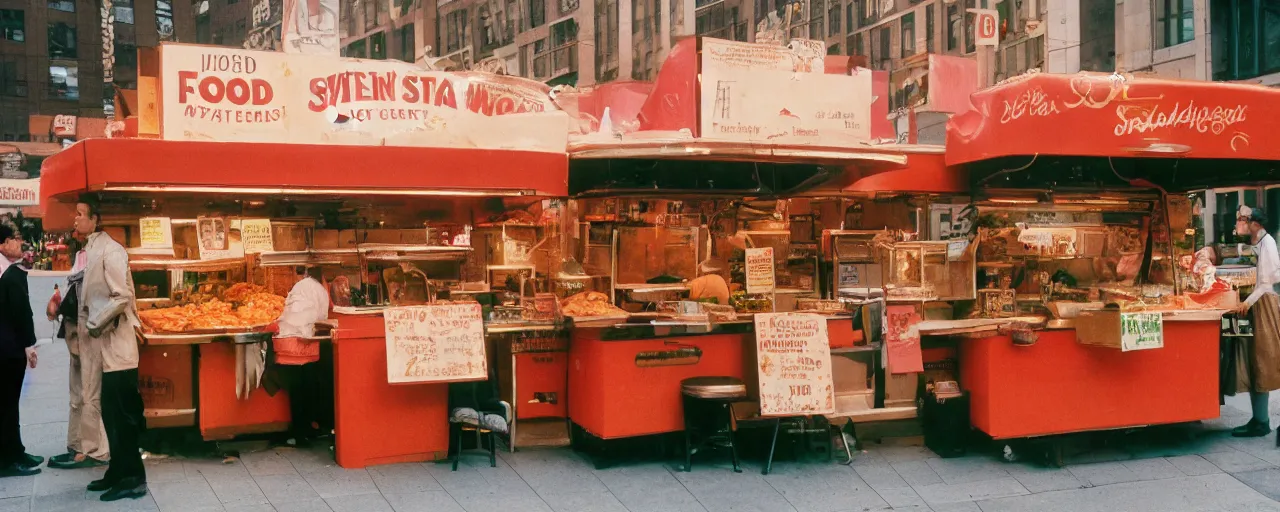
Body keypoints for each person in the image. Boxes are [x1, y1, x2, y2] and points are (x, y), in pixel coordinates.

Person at [77, 199, 147, 500]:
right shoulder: (92, 249)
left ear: (95, 220)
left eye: (80, 214)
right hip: (105, 350)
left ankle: (133, 478)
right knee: (111, 415)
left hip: (118, 348)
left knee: (124, 417)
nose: (74, 219)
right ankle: (117, 471)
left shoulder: (112, 250)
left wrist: (95, 323)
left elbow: (122, 296)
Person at [47, 234, 110, 469]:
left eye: (80, 216)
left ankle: (93, 450)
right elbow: (69, 293)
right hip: (75, 331)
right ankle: (75, 446)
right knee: (77, 394)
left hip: (88, 332)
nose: (74, 222)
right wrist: (57, 302)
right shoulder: (80, 257)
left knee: (88, 393)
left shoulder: (99, 258)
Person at [1233, 206, 1280, 438]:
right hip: (1252, 303)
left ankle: (1262, 421)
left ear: (1256, 223)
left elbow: (1266, 282)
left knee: (1261, 358)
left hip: (1262, 304)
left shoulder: (1267, 243)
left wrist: (1247, 302)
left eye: (1244, 220)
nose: (1241, 223)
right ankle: (1258, 418)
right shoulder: (1254, 243)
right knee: (1252, 359)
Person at [0, 222, 42, 477]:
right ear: (3, 245)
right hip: (9, 350)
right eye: (14, 239)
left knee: (6, 403)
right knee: (7, 403)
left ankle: (16, 451)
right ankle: (8, 459)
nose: (19, 243)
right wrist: (30, 345)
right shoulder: (11, 275)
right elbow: (22, 314)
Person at [272, 266, 330, 446]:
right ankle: (306, 430)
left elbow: (289, 314)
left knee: (297, 391)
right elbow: (322, 318)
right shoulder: (320, 289)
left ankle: (299, 434)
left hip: (290, 344)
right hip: (306, 345)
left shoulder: (300, 287)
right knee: (307, 389)